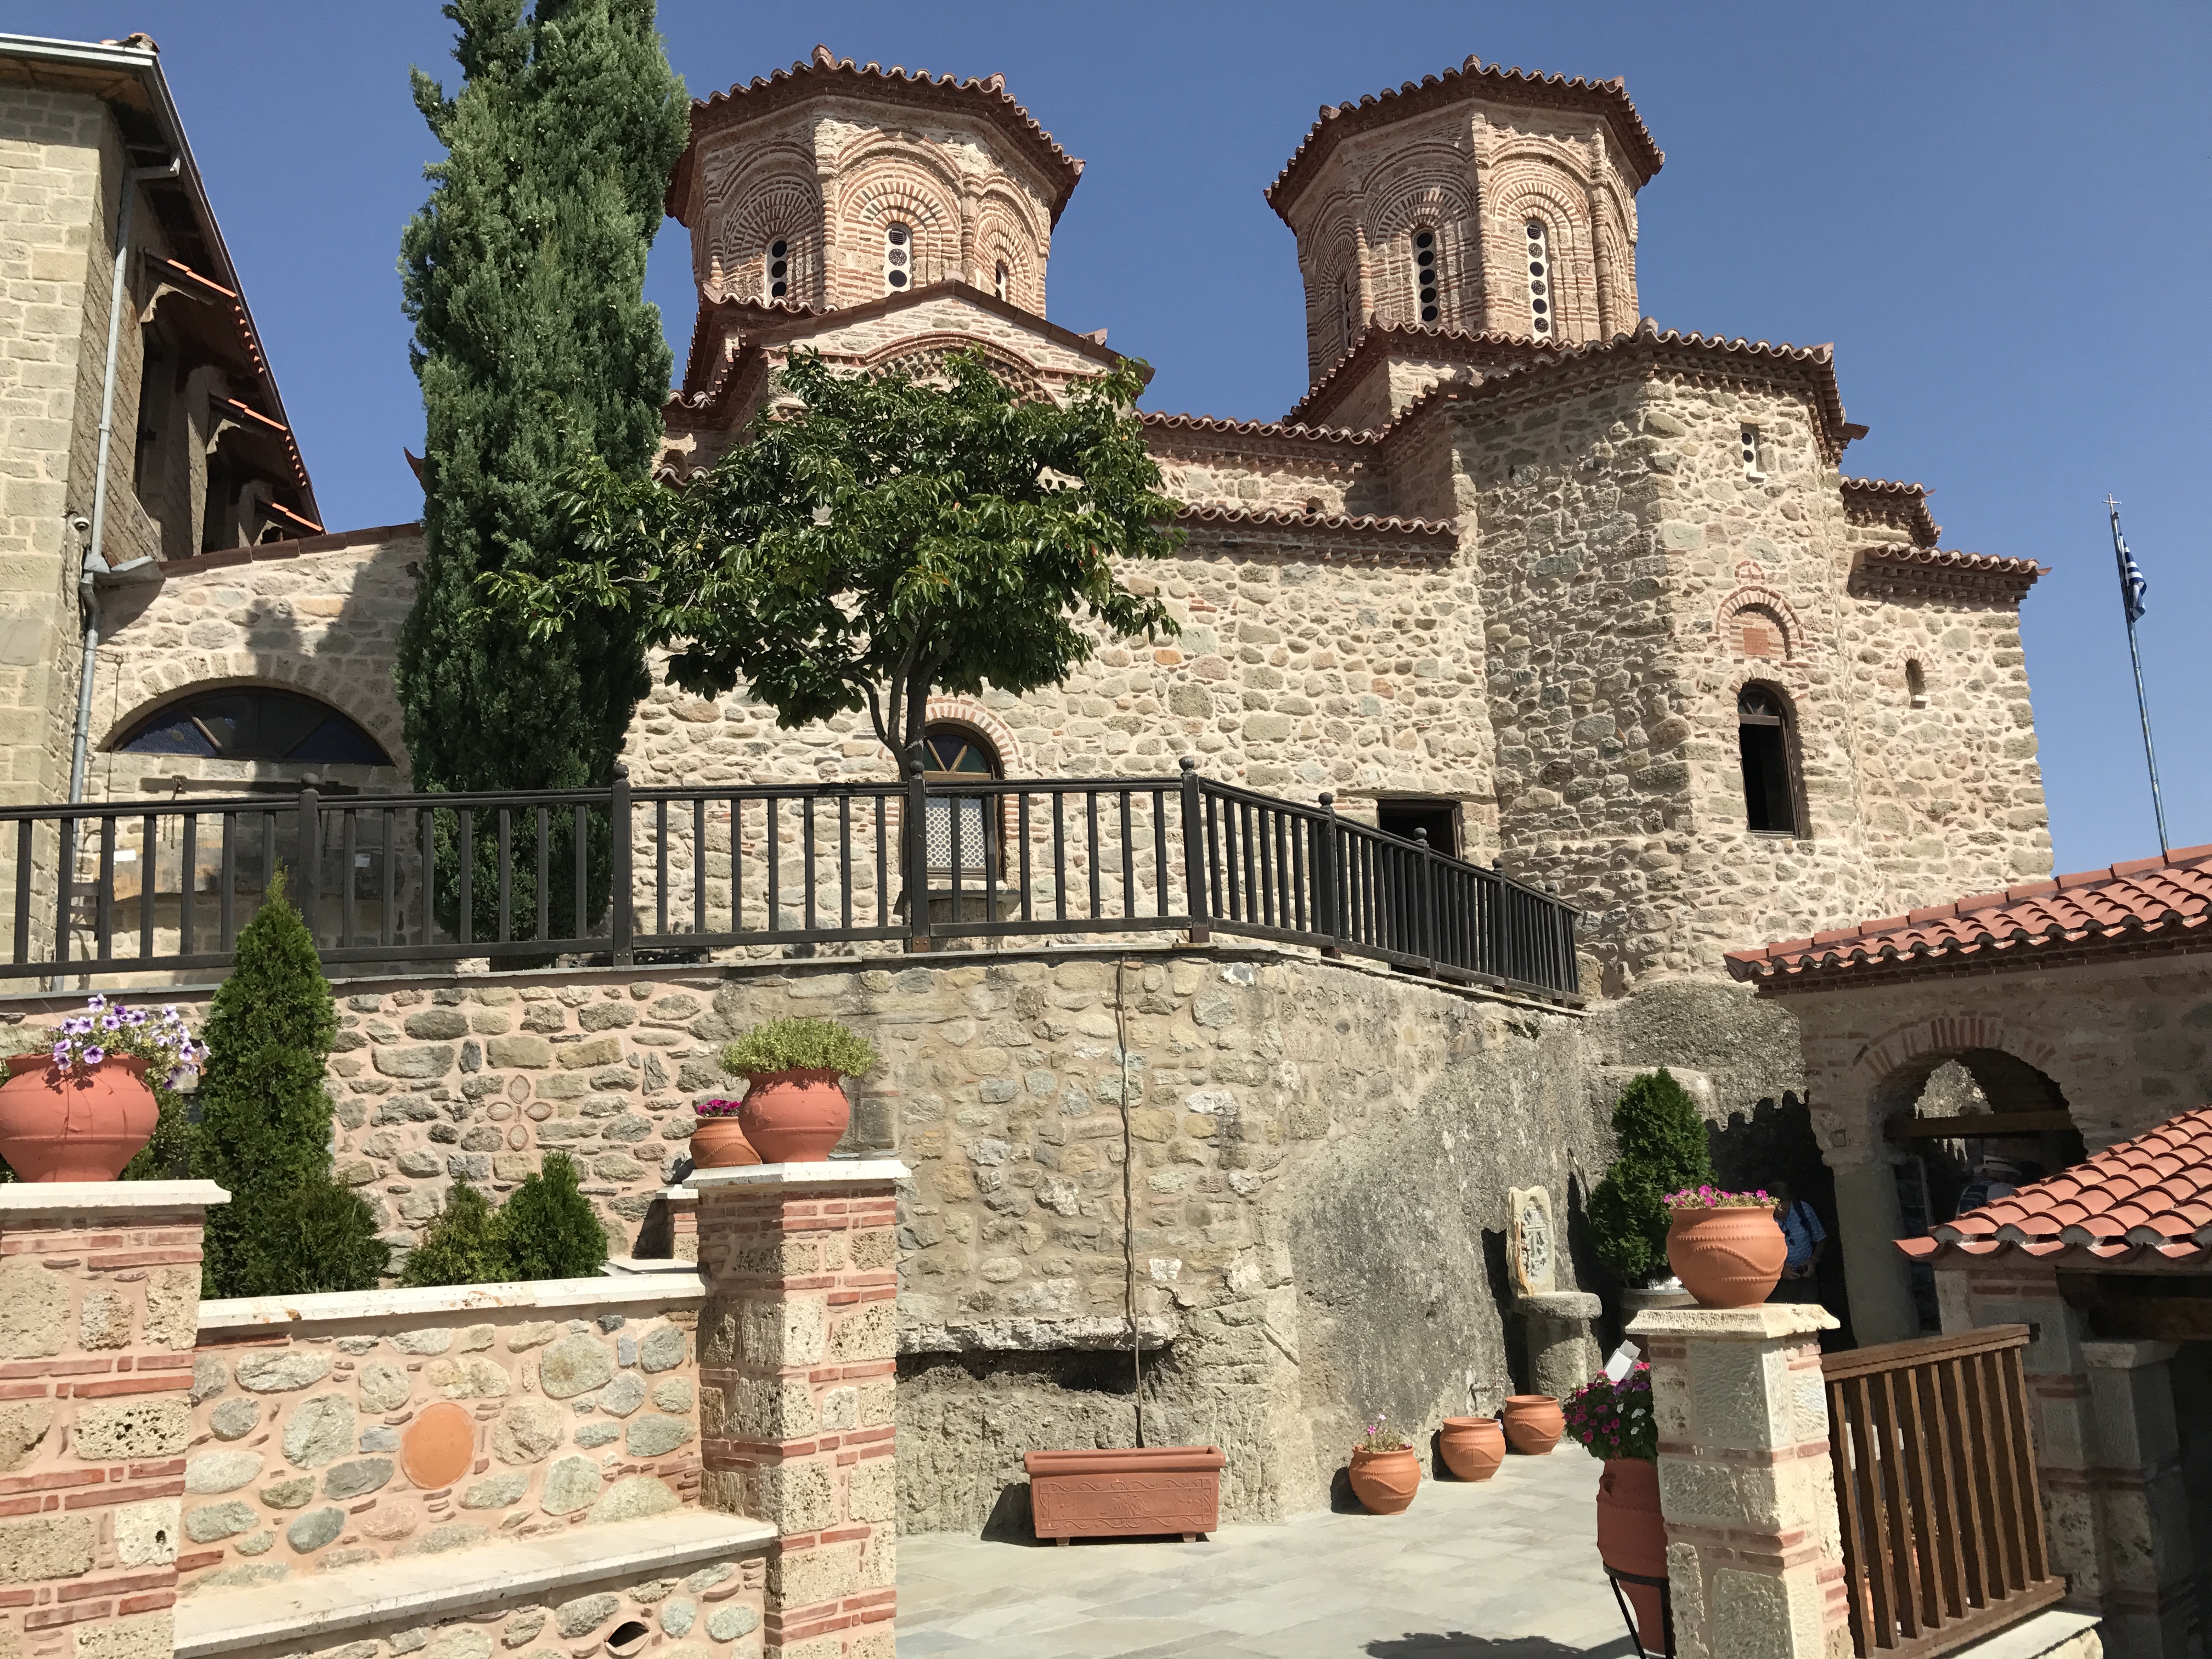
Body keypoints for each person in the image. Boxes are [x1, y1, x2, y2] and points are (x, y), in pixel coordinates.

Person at [1769, 1180, 1826, 1304]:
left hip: (1806, 1279)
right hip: (1778, 1283)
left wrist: (1812, 1261)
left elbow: (1820, 1240)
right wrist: (1780, 1270)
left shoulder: (1803, 1210)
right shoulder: (1764, 1219)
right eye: (1778, 1208)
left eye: (1786, 1208)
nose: (1783, 1211)